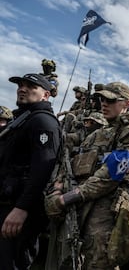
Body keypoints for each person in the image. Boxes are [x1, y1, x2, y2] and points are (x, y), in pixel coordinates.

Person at [44, 82, 129, 270]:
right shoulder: (95, 135)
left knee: (99, 261)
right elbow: (72, 165)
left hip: (105, 212)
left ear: (127, 104)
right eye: (102, 99)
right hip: (78, 209)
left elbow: (111, 175)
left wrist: (68, 198)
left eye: (110, 100)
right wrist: (57, 189)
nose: (104, 104)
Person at [0, 73, 61, 269]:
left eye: (30, 87)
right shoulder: (23, 119)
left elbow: (44, 168)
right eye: (21, 85)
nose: (22, 89)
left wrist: (22, 208)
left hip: (18, 208)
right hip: (7, 202)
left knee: (11, 262)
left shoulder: (43, 122)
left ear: (46, 95)